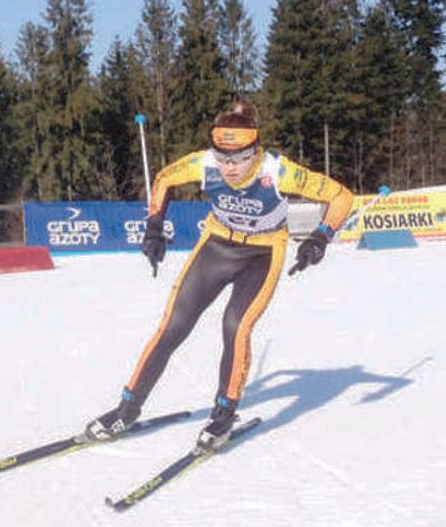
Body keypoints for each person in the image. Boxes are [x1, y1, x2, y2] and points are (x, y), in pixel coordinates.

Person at [85, 98, 355, 451]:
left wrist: (321, 237)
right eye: (224, 157)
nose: (230, 167)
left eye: (241, 158)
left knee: (235, 326)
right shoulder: (205, 163)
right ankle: (127, 408)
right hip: (216, 246)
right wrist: (154, 227)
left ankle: (224, 414)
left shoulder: (278, 171)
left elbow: (340, 196)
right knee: (173, 326)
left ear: (255, 150)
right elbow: (165, 178)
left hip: (263, 252)